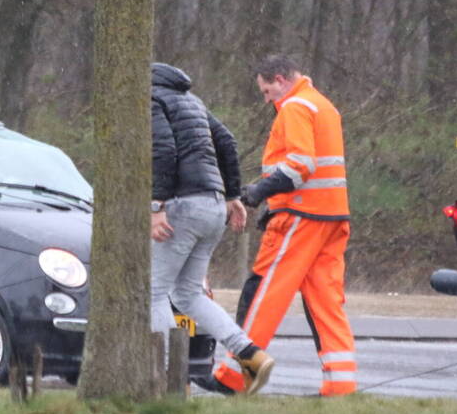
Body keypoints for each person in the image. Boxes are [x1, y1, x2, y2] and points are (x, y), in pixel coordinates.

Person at [211, 55, 356, 396]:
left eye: (266, 91)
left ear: (280, 79)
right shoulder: (323, 105)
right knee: (326, 300)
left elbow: (300, 165)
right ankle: (341, 384)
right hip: (332, 218)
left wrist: (258, 193)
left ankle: (234, 375)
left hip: (301, 217)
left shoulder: (294, 107)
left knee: (264, 292)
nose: (266, 99)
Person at [150, 63, 274, 395]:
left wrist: (156, 205)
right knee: (188, 294)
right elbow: (227, 141)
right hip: (212, 205)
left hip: (181, 205)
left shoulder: (151, 99)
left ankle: (168, 378)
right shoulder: (193, 101)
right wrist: (232, 195)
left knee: (154, 292)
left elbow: (162, 150)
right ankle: (250, 355)